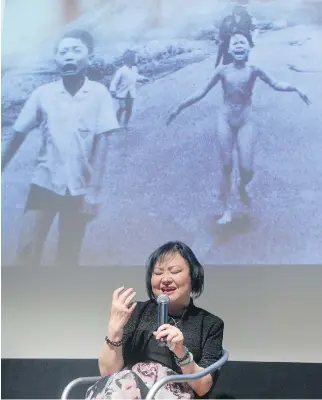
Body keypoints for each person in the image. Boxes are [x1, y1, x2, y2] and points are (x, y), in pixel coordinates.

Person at [1, 29, 120, 267]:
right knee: (26, 250)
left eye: (76, 50)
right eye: (63, 51)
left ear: (89, 56)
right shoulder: (42, 94)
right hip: (44, 183)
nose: (69, 56)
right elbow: (17, 135)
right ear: (56, 59)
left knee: (68, 256)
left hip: (79, 190)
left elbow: (102, 146)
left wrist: (94, 194)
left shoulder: (99, 94)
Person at [167, 33, 310, 225]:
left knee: (247, 169)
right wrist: (178, 107)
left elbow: (276, 84)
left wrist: (296, 88)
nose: (239, 45)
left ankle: (243, 185)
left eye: (243, 42)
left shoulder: (254, 70)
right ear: (229, 50)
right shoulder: (222, 71)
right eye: (235, 43)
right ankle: (226, 210)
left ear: (249, 47)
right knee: (226, 167)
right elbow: (200, 92)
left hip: (245, 120)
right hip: (225, 119)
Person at [86, 241, 224, 399]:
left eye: (175, 271)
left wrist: (181, 351)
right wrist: (114, 330)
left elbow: (203, 387)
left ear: (193, 276)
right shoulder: (136, 311)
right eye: (158, 273)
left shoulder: (209, 324)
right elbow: (108, 374)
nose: (165, 279)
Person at [110, 50, 149, 127]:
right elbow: (114, 81)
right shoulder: (121, 70)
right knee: (122, 107)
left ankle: (125, 124)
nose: (136, 59)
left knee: (129, 109)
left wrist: (143, 78)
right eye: (135, 57)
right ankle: (116, 123)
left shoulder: (134, 69)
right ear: (130, 59)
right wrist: (112, 90)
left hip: (131, 93)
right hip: (122, 93)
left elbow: (136, 77)